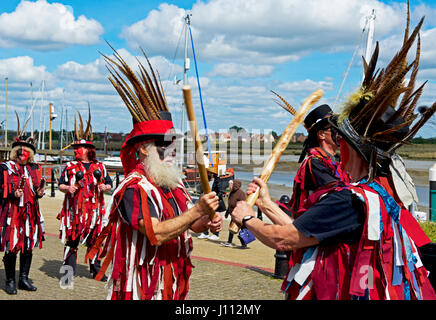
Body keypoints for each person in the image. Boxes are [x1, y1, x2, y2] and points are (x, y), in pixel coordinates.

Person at [231, 12, 436, 300]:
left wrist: (247, 218)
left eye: (339, 136)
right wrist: (266, 203)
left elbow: (286, 238)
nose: (336, 142)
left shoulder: (349, 198)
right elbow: (316, 226)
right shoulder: (375, 196)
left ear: (348, 146)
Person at [87, 46, 222, 300]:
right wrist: (197, 211)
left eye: (172, 144)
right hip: (142, 286)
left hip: (172, 280)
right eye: (163, 144)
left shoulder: (173, 183)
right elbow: (155, 232)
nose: (170, 150)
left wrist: (204, 222)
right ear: (143, 150)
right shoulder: (133, 187)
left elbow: (187, 224)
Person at [57, 109, 113, 281]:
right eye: (74, 148)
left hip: (95, 211)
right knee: (72, 242)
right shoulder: (70, 167)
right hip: (75, 212)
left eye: (78, 148)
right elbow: (60, 185)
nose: (75, 151)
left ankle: (96, 271)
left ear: (88, 149)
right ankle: (68, 274)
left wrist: (105, 187)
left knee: (95, 241)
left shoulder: (100, 167)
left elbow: (110, 184)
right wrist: (67, 188)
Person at [0, 127, 45, 294]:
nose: (21, 153)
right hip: (11, 214)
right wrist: (12, 193)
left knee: (27, 246)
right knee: (11, 246)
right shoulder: (5, 168)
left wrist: (39, 193)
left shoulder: (34, 169)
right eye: (19, 150)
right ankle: (10, 281)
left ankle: (23, 280)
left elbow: (34, 192)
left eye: (25, 151)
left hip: (30, 214)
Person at [290, 104, 348, 218]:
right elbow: (338, 193)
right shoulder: (315, 162)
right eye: (334, 128)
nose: (339, 132)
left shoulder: (336, 161)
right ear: (321, 134)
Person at [198, 169, 226, 241]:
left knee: (215, 218)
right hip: (206, 202)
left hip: (215, 202)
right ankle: (205, 233)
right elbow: (202, 190)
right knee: (205, 216)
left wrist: (215, 198)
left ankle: (216, 235)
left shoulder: (218, 181)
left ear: (213, 173)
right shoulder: (206, 180)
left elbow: (221, 191)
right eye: (207, 172)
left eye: (209, 172)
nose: (207, 174)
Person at [221, 179, 247, 248]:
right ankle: (231, 242)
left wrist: (240, 214)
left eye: (230, 184)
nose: (229, 186)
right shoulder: (232, 192)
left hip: (239, 215)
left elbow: (243, 204)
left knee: (242, 229)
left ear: (234, 185)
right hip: (233, 214)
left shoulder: (240, 193)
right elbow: (230, 204)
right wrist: (227, 213)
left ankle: (243, 244)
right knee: (233, 228)